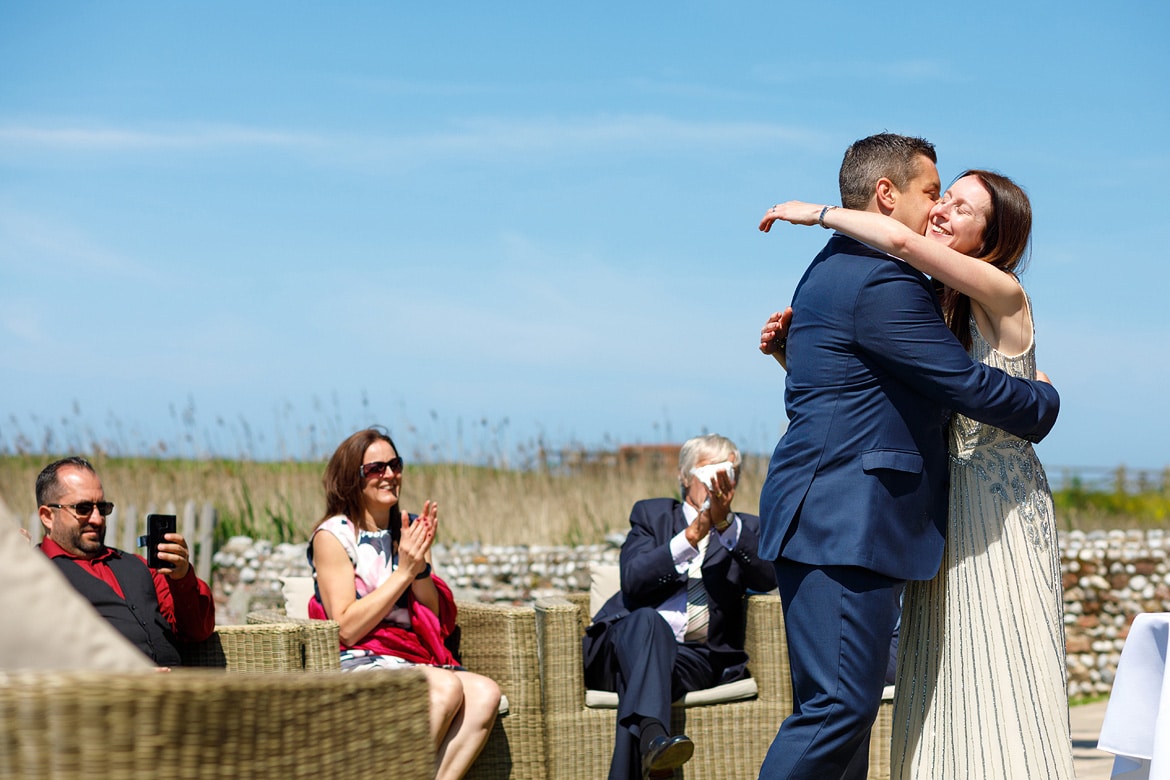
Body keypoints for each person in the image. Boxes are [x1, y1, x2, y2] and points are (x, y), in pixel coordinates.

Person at [752, 133, 1061, 780]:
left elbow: (853, 390)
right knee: (837, 709)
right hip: (846, 522)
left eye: (955, 204)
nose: (937, 210)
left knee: (840, 715)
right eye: (932, 193)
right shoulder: (883, 281)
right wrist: (1043, 405)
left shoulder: (833, 268)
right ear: (887, 196)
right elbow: (964, 386)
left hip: (836, 514)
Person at [307, 426, 500, 780]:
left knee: (486, 693)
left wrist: (420, 567)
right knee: (445, 687)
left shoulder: (405, 527)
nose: (390, 475)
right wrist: (403, 572)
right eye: (376, 469)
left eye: (395, 465)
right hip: (356, 659)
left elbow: (435, 616)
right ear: (353, 479)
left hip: (409, 655)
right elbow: (347, 628)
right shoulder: (334, 536)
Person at [582, 434, 778, 780]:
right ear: (686, 478)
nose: (718, 482)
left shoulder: (747, 531)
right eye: (709, 473)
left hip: (692, 659)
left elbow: (767, 577)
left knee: (642, 678)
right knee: (649, 624)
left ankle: (653, 739)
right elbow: (634, 579)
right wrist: (692, 536)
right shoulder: (651, 515)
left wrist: (725, 527)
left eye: (728, 473)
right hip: (622, 643)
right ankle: (656, 747)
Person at [35, 456, 216, 666]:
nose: (97, 519)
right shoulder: (33, 575)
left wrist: (182, 578)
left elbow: (199, 631)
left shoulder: (140, 566)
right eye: (83, 509)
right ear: (48, 516)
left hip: (177, 691)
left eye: (102, 509)